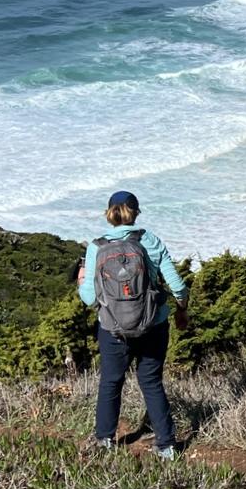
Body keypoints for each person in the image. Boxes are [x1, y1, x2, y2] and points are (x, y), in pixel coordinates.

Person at [77, 190, 188, 459]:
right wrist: (182, 311)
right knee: (151, 381)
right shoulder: (150, 240)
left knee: (111, 382)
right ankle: (167, 446)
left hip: (113, 328)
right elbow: (178, 286)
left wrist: (82, 281)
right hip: (154, 324)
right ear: (136, 212)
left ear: (109, 213)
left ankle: (104, 440)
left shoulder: (97, 246)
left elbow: (90, 298)